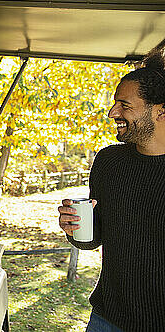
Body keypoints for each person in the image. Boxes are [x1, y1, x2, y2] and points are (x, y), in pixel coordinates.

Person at [58, 44, 165, 332]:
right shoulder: (109, 161)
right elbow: (93, 238)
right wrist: (74, 229)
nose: (112, 112)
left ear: (160, 112)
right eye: (115, 102)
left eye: (124, 105)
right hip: (108, 319)